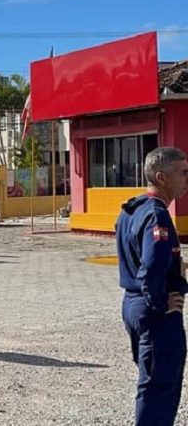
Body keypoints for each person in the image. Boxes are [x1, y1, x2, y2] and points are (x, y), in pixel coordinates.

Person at [116, 147, 188, 426]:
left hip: (134, 305)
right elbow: (152, 263)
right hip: (154, 312)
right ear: (161, 177)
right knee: (159, 388)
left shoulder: (133, 209)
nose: (186, 179)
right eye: (182, 173)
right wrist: (160, 302)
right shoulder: (156, 214)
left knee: (153, 381)